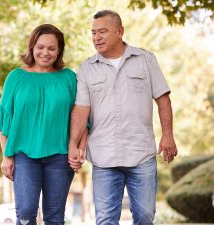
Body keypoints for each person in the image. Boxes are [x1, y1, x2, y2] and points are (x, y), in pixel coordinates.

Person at [68, 10, 178, 225]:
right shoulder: (87, 69)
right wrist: (73, 144)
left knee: (145, 216)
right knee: (106, 220)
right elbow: (81, 111)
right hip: (103, 156)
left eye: (102, 31)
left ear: (120, 32)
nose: (96, 37)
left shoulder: (145, 60)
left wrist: (168, 135)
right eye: (93, 33)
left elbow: (163, 99)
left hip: (141, 153)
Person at [0, 24, 87, 225]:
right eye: (40, 47)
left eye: (52, 49)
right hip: (24, 155)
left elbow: (80, 117)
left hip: (60, 156)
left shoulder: (69, 78)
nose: (45, 53)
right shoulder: (16, 77)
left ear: (59, 50)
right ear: (32, 46)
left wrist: (79, 149)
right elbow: (4, 119)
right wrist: (6, 156)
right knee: (26, 212)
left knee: (54, 216)